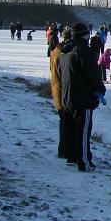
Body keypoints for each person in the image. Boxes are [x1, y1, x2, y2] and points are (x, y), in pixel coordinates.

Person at [59, 23, 106, 172]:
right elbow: (92, 72)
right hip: (81, 99)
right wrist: (100, 88)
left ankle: (72, 156)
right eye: (87, 34)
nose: (89, 36)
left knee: (72, 129)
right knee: (83, 131)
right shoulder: (83, 50)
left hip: (67, 97)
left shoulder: (64, 51)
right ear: (83, 35)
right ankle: (84, 162)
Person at [49, 27, 73, 160]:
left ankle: (64, 150)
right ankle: (65, 151)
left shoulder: (56, 51)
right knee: (66, 124)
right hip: (62, 93)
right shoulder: (61, 53)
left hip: (58, 92)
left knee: (64, 123)